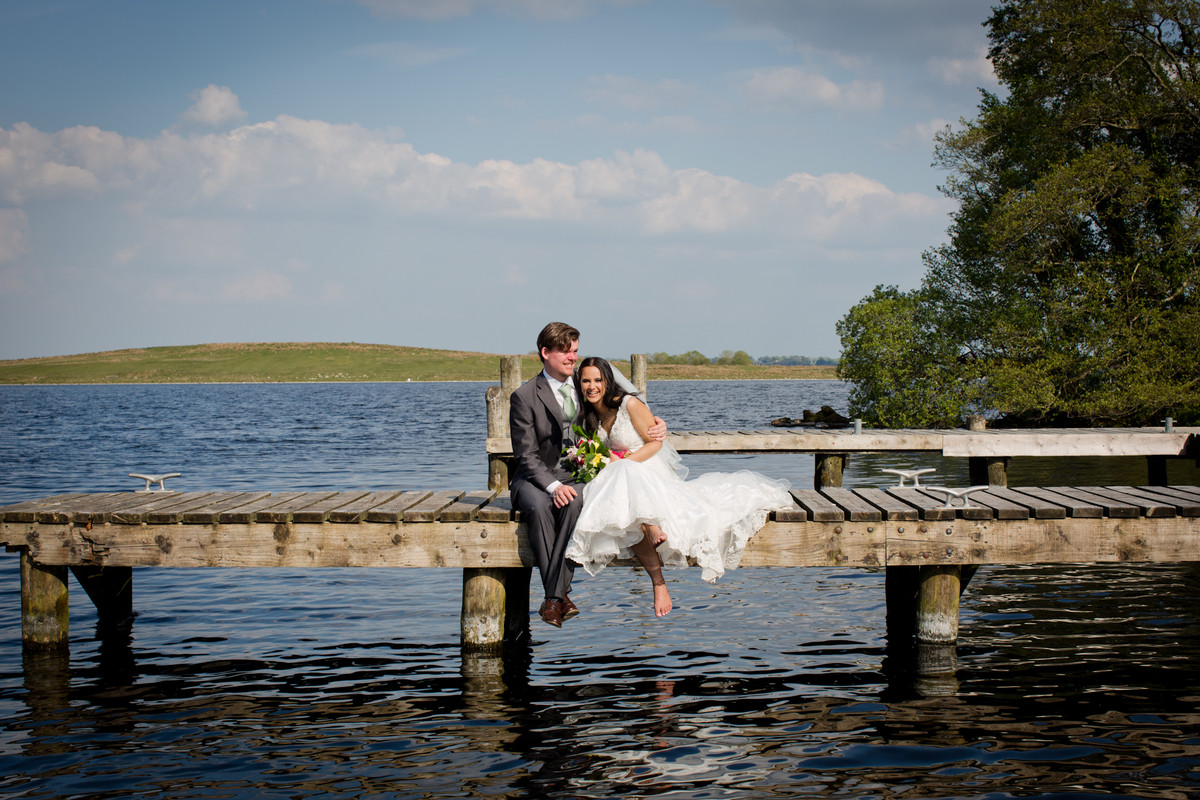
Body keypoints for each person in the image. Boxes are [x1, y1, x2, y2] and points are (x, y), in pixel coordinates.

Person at [565, 356, 792, 618]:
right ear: (579, 384)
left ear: (608, 381)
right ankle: (657, 581)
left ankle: (653, 540)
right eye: (586, 381)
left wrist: (623, 463)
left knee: (625, 478)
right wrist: (607, 464)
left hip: (648, 470)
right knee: (626, 514)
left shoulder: (630, 404)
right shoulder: (588, 416)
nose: (592, 386)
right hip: (621, 480)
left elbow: (656, 443)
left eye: (598, 380)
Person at [508, 323, 665, 628]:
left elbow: (622, 405)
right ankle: (560, 596)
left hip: (576, 475)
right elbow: (525, 456)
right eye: (566, 351)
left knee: (576, 502)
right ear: (545, 353)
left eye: (575, 351)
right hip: (532, 479)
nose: (572, 357)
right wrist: (552, 486)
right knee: (541, 507)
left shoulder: (584, 388)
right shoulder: (524, 396)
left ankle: (552, 599)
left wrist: (658, 424)